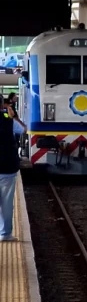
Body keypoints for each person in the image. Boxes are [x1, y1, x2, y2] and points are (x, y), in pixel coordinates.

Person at [0, 101, 24, 242]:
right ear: (2, 106)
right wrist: (13, 117)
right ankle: (5, 233)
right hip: (7, 167)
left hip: (7, 167)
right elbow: (24, 129)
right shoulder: (9, 121)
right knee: (6, 201)